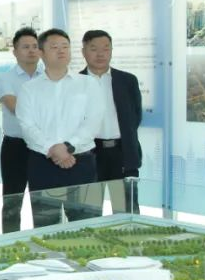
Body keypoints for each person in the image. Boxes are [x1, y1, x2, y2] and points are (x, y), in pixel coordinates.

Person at [16, 29, 105, 227]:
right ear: (41, 53)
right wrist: (52, 148)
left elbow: (93, 121)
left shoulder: (88, 84)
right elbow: (27, 125)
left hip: (81, 163)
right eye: (54, 47)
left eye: (65, 46)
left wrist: (68, 147)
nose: (61, 51)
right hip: (43, 164)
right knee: (45, 226)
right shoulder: (29, 89)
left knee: (86, 225)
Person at [80, 30, 143, 213]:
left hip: (122, 152)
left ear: (112, 51)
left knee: (126, 211)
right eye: (94, 49)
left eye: (106, 48)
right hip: (89, 154)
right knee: (88, 211)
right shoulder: (75, 82)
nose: (100, 54)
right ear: (83, 51)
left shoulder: (127, 80)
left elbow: (135, 116)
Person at [0, 27, 43, 233]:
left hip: (43, 146)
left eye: (35, 46)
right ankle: (10, 242)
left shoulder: (48, 77)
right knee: (12, 201)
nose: (31, 51)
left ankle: (45, 242)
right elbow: (14, 107)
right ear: (15, 51)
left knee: (43, 201)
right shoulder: (6, 78)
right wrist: (45, 109)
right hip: (16, 146)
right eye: (25, 47)